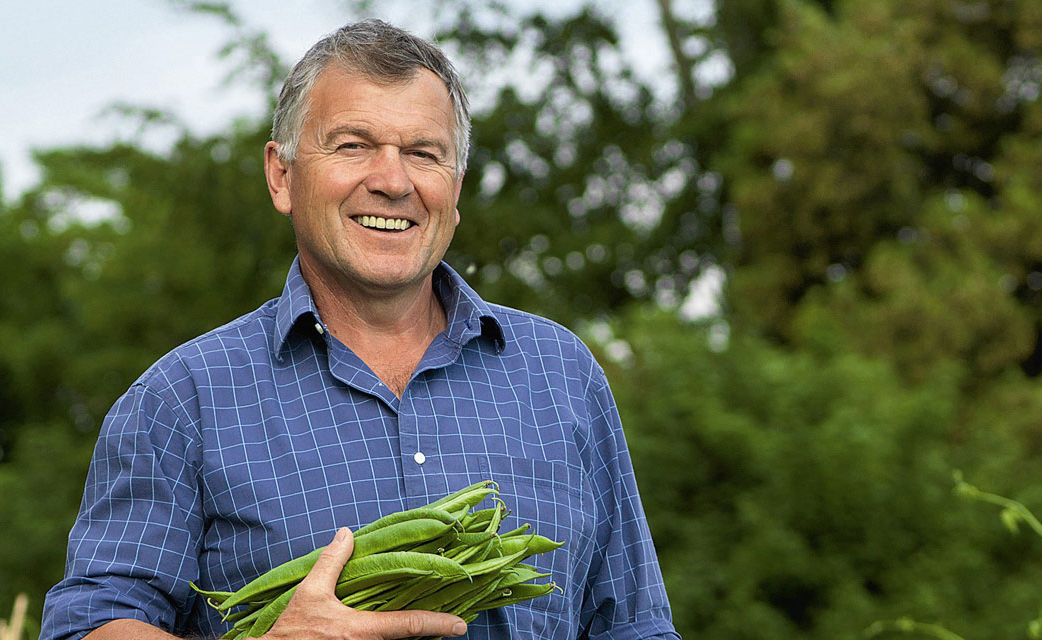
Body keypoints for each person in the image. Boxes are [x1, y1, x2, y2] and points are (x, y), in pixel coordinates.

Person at [39, 19, 678, 640]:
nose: (392, 181)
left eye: (423, 154)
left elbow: (635, 625)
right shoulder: (184, 400)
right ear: (282, 176)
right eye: (353, 146)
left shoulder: (562, 375)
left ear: (455, 190)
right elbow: (86, 626)